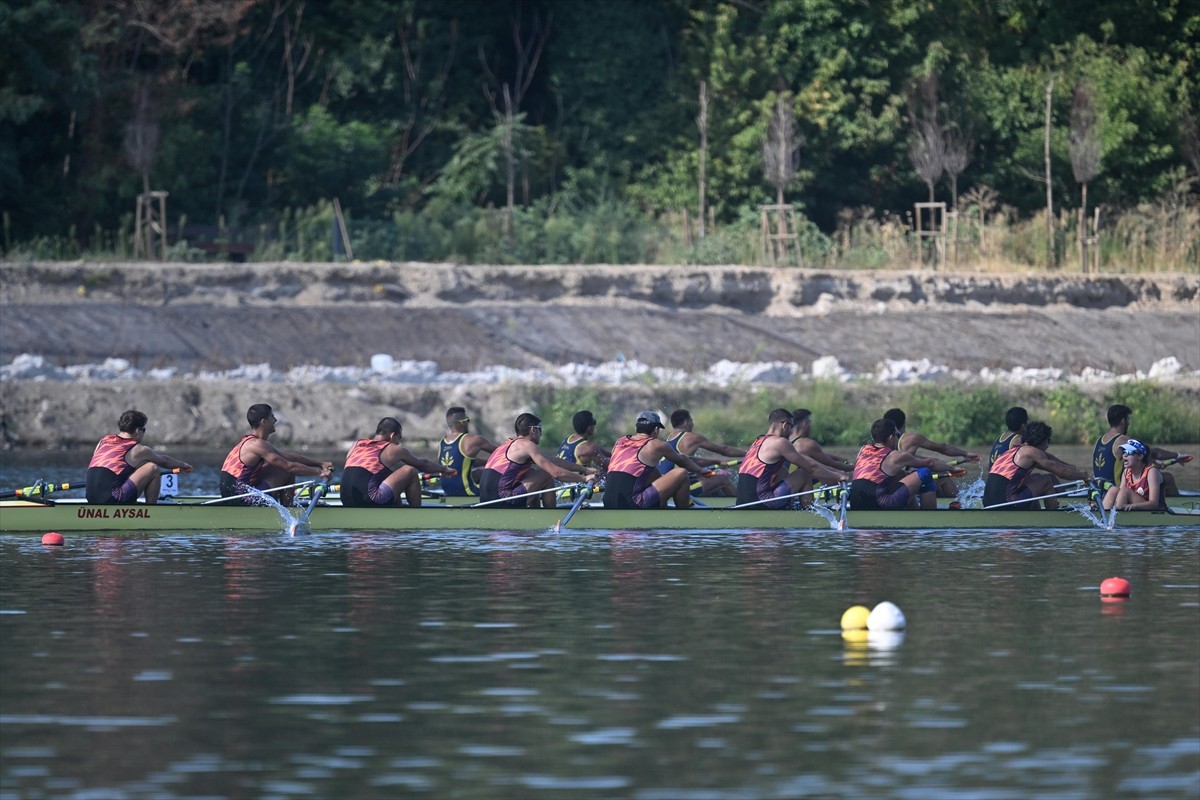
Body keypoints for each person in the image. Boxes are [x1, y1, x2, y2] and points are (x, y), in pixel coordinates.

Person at [219, 404, 333, 504]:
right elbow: (290, 466)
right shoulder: (257, 445)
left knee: (278, 466)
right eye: (272, 417)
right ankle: (289, 511)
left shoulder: (252, 442)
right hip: (239, 498)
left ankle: (286, 505)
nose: (275, 420)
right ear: (264, 421)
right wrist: (320, 473)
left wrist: (320, 463)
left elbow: (289, 457)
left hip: (233, 493)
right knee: (285, 470)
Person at [480, 413, 598, 508]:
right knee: (546, 474)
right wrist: (584, 478)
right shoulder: (527, 445)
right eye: (539, 429)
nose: (541, 433)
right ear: (532, 430)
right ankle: (549, 517)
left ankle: (535, 512)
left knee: (531, 472)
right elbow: (555, 473)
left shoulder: (509, 444)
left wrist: (584, 469)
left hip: (486, 500)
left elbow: (554, 461)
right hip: (501, 500)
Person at [737, 409, 848, 509]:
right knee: (804, 473)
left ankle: (790, 507)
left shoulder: (757, 442)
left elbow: (807, 460)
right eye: (791, 427)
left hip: (742, 502)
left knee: (783, 471)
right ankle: (809, 515)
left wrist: (836, 472)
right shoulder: (780, 442)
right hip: (762, 502)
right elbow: (811, 467)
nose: (791, 433)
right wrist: (838, 476)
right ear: (785, 425)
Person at [604, 410, 710, 509]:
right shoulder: (656, 445)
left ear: (637, 428)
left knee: (653, 472)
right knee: (681, 473)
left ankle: (663, 506)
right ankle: (684, 515)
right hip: (633, 503)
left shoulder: (620, 442)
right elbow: (683, 461)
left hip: (608, 501)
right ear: (656, 429)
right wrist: (701, 470)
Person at [849, 418, 960, 511]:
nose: (898, 438)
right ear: (891, 438)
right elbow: (930, 463)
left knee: (901, 475)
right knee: (925, 473)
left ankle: (913, 512)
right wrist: (953, 468)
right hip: (879, 502)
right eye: (897, 435)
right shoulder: (896, 456)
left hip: (855, 503)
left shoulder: (863, 450)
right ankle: (930, 516)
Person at [85, 410, 193, 505]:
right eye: (144, 429)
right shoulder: (138, 449)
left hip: (90, 498)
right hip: (112, 499)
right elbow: (164, 461)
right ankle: (151, 512)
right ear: (137, 430)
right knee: (152, 468)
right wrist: (184, 465)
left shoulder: (103, 441)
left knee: (135, 466)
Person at [342, 417, 455, 508]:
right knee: (409, 470)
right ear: (392, 436)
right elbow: (422, 464)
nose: (398, 442)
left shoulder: (356, 444)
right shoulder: (392, 448)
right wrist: (444, 469)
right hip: (370, 499)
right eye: (399, 438)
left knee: (387, 475)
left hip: (345, 499)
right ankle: (417, 514)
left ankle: (397, 506)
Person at [984, 421, 1089, 510]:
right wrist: (1085, 477)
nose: (1048, 445)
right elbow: (1062, 473)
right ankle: (1054, 516)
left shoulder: (1013, 451)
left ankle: (1036, 513)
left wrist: (1075, 470)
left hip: (987, 502)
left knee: (1033, 479)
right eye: (1048, 441)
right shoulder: (1031, 452)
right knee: (1047, 480)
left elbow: (1054, 463)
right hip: (1006, 502)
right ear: (1042, 441)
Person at [1093, 404, 1192, 497]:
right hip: (1118, 494)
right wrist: (1177, 456)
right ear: (1123, 421)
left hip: (1101, 491)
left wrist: (1152, 463)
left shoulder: (1099, 441)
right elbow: (1155, 453)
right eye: (1128, 419)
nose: (1129, 423)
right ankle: (1175, 508)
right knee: (1168, 478)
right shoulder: (1124, 440)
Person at [884, 408, 981, 497]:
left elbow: (908, 459)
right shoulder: (910, 439)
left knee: (932, 471)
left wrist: (937, 461)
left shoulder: (882, 439)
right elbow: (942, 448)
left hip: (888, 486)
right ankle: (960, 504)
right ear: (904, 424)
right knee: (943, 475)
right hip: (902, 486)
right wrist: (965, 454)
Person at [657, 409, 745, 497]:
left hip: (664, 486)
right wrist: (748, 453)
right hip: (677, 488)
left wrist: (716, 462)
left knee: (710, 478)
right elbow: (723, 450)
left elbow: (691, 461)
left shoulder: (668, 439)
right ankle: (742, 508)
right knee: (724, 480)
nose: (693, 424)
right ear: (686, 422)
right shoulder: (691, 438)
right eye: (691, 421)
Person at [438, 407, 498, 496]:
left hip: (448, 493)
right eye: (467, 420)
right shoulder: (474, 440)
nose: (468, 422)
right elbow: (504, 454)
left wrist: (487, 463)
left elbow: (460, 461)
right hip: (469, 492)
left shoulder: (442, 443)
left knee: (480, 471)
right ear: (462, 422)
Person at [1103, 439, 1167, 512]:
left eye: (1129, 452)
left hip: (1156, 513)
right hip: (1138, 509)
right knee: (1113, 489)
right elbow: (1119, 494)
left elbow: (1154, 504)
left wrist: (1133, 506)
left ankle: (1115, 519)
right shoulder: (1126, 472)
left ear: (1140, 456)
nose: (1124, 455)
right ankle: (1103, 514)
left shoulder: (1151, 472)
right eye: (1124, 452)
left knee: (1125, 491)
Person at [790, 408, 855, 474]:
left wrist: (840, 459)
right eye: (810, 422)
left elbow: (819, 454)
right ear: (805, 423)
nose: (811, 425)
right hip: (807, 481)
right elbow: (834, 465)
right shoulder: (807, 444)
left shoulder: (787, 441)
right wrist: (855, 467)